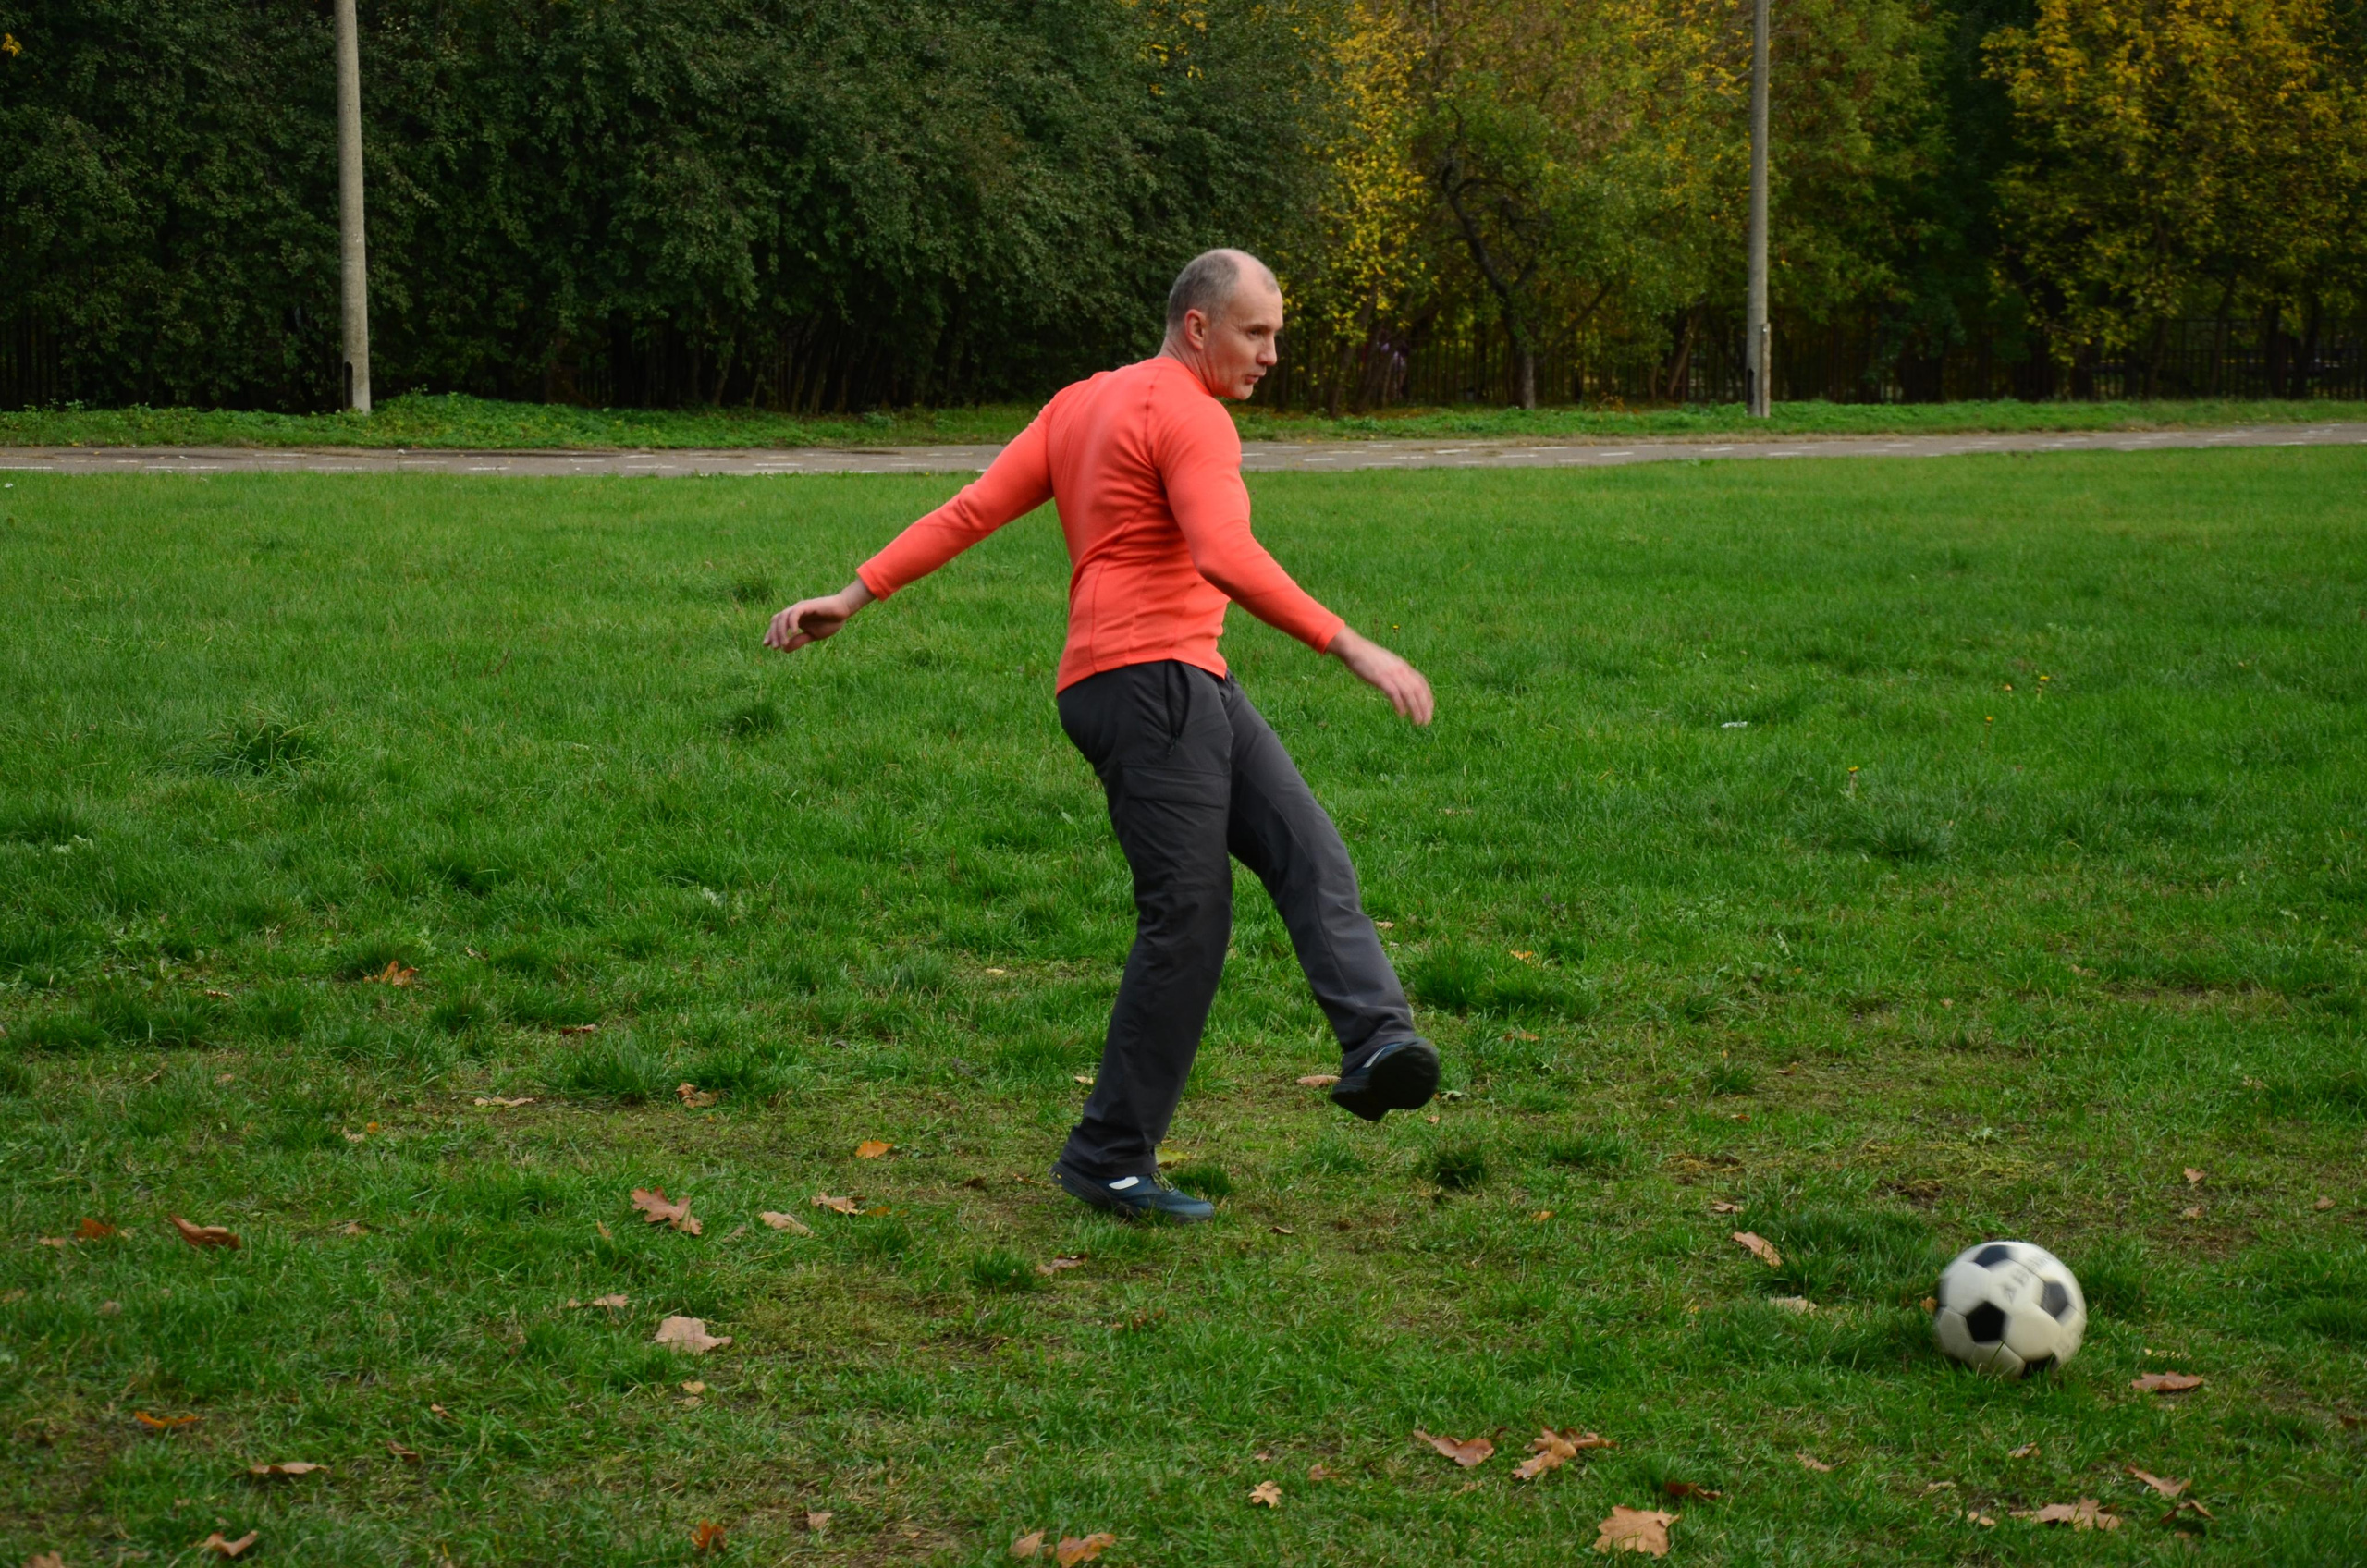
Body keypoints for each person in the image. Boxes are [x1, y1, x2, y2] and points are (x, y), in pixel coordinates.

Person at [766, 249, 1439, 1222]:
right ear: (1198, 327)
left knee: (1306, 847)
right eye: (1256, 333)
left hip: (1178, 677)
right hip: (1147, 683)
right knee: (1188, 917)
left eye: (1276, 334)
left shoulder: (1081, 402)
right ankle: (1110, 1157)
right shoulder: (1192, 415)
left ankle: (1377, 1041)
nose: (1271, 354)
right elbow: (1223, 552)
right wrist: (1350, 644)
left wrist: (854, 592)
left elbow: (969, 510)